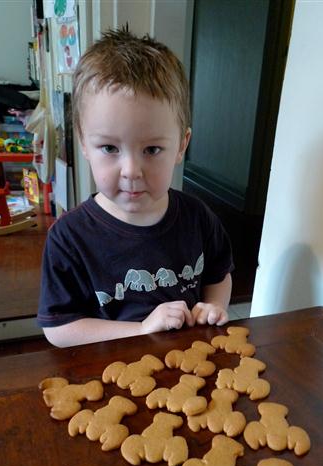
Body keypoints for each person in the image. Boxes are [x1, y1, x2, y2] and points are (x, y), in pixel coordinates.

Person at [37, 28, 233, 348]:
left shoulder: (198, 217)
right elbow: (59, 330)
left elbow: (218, 275)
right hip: (111, 375)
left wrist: (213, 306)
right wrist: (141, 329)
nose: (131, 171)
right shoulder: (68, 238)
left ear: (181, 145)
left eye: (152, 150)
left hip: (189, 368)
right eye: (110, 149)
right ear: (84, 143)